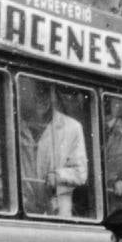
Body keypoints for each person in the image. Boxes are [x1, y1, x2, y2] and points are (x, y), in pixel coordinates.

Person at [32, 83, 87, 217]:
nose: (41, 98)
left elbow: (80, 173)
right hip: (27, 206)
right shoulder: (16, 122)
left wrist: (58, 176)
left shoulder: (72, 127)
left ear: (54, 95)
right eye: (37, 92)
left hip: (58, 210)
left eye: (46, 92)